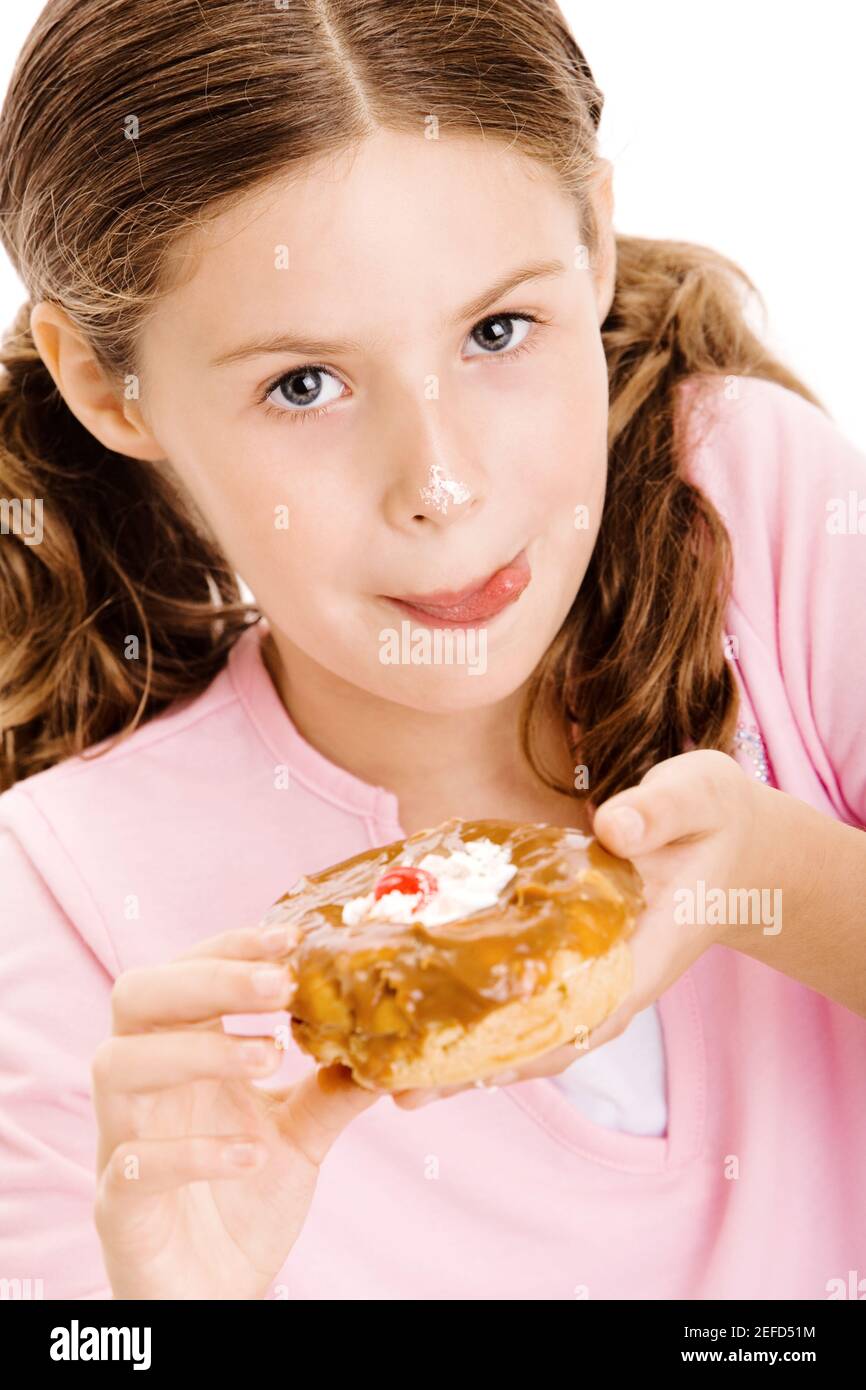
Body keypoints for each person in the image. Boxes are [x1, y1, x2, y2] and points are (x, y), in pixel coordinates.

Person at [0, 0, 864, 1301]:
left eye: (497, 332)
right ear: (109, 386)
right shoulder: (58, 900)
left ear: (591, 243)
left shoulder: (753, 509)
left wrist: (769, 875)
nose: (443, 485)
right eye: (303, 383)